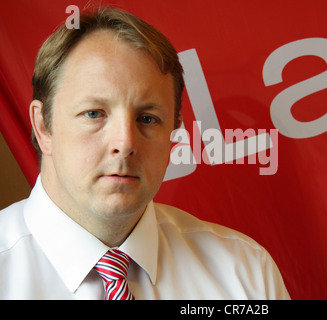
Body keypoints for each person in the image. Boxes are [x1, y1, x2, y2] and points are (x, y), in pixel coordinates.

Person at [0, 7, 290, 300]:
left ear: (173, 132)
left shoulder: (245, 274)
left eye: (148, 118)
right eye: (94, 113)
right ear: (43, 127)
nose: (125, 142)